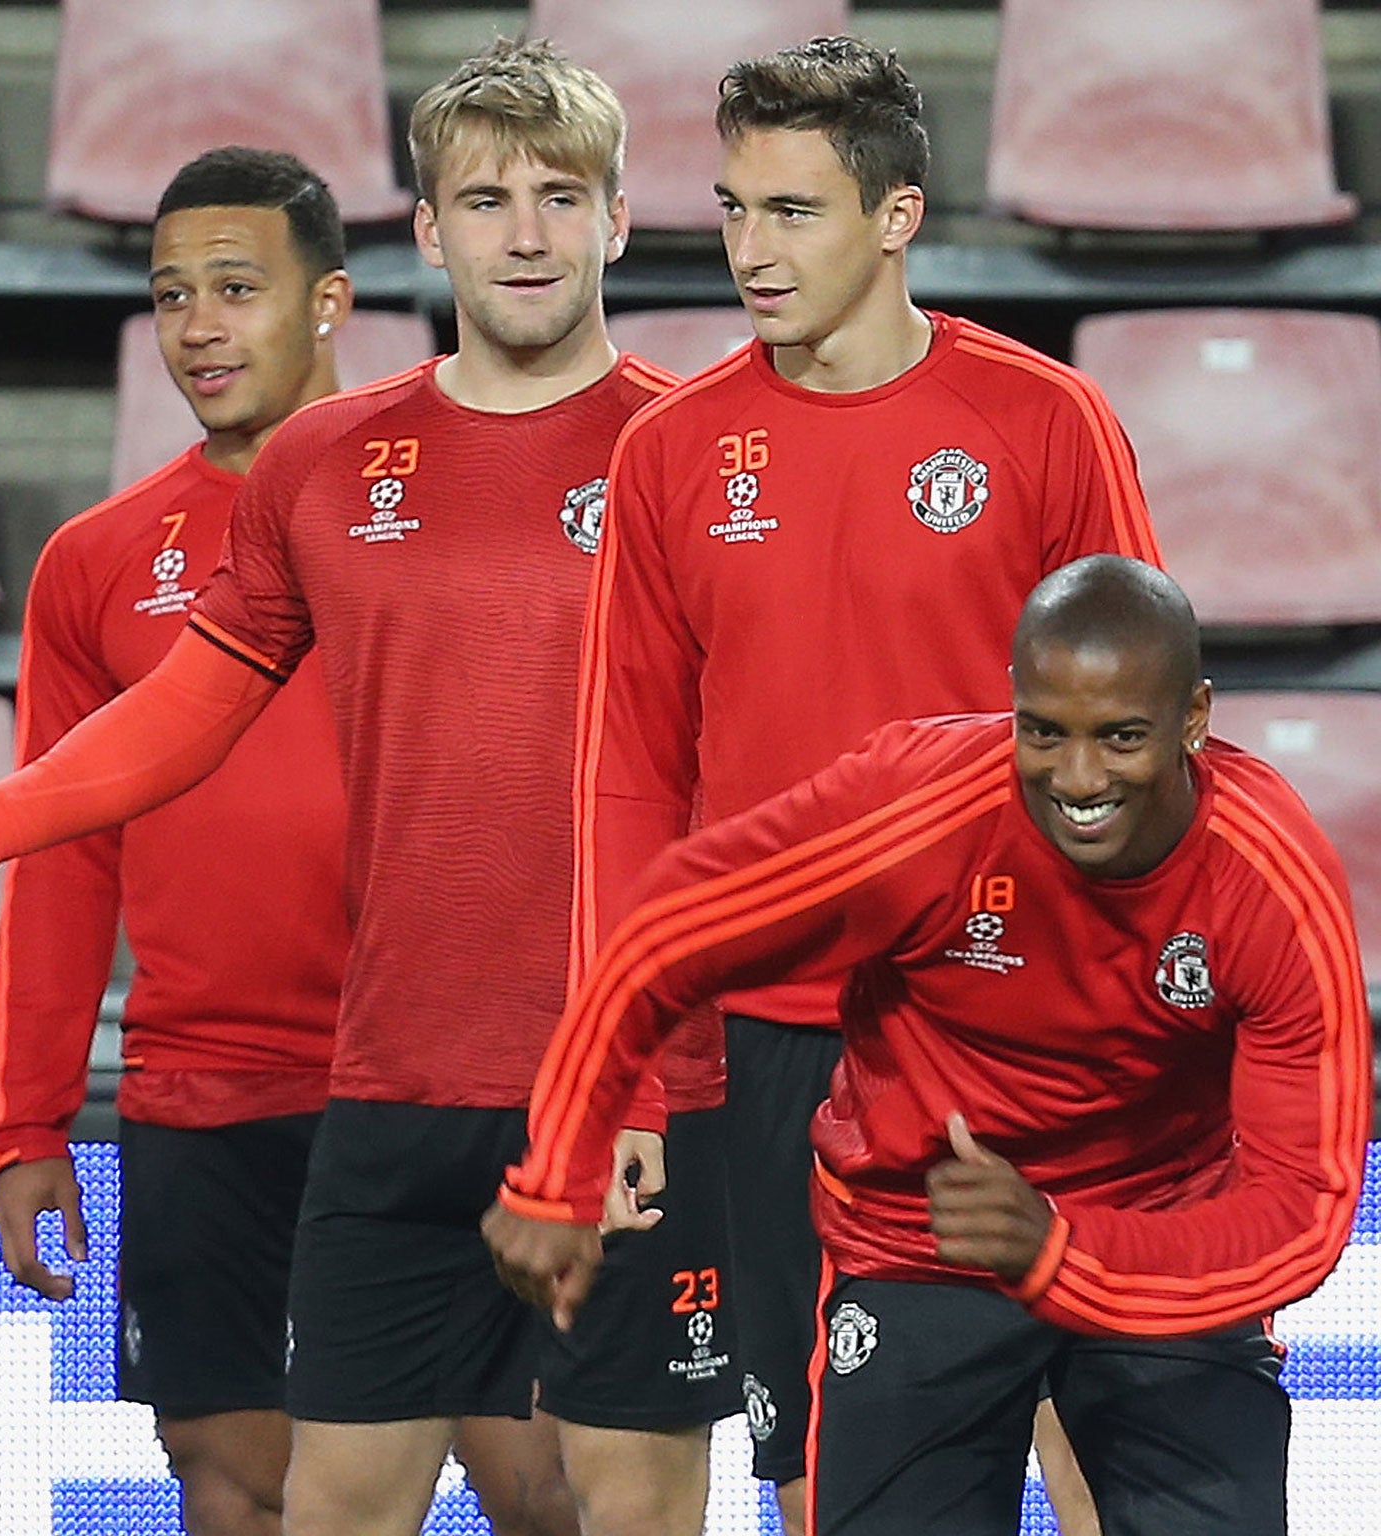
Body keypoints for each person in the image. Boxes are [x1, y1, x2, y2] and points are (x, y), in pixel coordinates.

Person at [0, 38, 740, 1536]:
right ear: (428, 232)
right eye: (486, 199)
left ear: (620, 220)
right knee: (332, 1506)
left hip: (625, 1089)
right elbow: (188, 704)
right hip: (388, 1088)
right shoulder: (326, 459)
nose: (526, 232)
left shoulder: (704, 450)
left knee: (623, 1507)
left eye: (562, 196)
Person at [567, 36, 1162, 1533]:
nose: (753, 253)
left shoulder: (1042, 425)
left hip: (1025, 1018)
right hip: (779, 1045)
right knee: (824, 1475)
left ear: (895, 216)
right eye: (734, 210)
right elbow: (631, 780)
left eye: (796, 212)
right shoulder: (672, 455)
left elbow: (1146, 747)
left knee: (1097, 1436)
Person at [491, 554, 1370, 1536]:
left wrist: (1060, 1251)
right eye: (1043, 733)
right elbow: (666, 934)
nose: (1076, 780)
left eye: (1120, 739)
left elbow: (1301, 1216)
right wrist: (557, 1164)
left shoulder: (1270, 881)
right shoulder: (913, 808)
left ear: (1193, 720)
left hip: (1158, 1234)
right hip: (919, 1241)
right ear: (1010, 705)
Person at [0, 146, 359, 1536]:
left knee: (539, 1478)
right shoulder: (95, 560)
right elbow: (64, 854)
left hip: (434, 1085)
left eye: (237, 289)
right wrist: (22, 1123)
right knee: (228, 1479)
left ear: (330, 302)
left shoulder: (441, 508)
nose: (199, 325)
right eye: (173, 295)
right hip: (207, 1095)